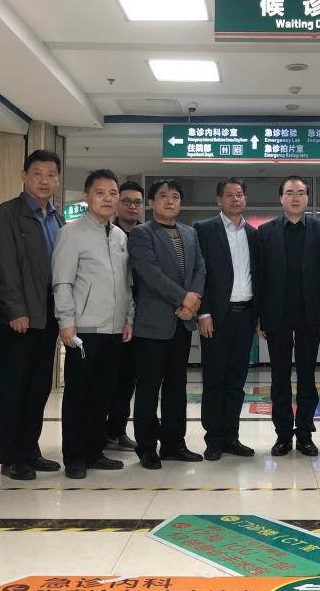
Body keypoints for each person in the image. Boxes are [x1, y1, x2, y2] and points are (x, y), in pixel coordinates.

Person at [53, 169, 134, 479]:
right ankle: (74, 456)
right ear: (87, 196)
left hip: (114, 329)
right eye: (100, 193)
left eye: (113, 193)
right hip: (84, 328)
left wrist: (128, 318)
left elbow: (127, 284)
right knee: (79, 394)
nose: (107, 198)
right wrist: (66, 322)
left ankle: (95, 451)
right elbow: (62, 281)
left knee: (103, 393)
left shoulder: (120, 236)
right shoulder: (71, 233)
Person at [0, 149, 65, 480]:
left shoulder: (58, 219)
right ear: (24, 175)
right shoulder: (7, 213)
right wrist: (15, 309)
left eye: (51, 175)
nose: (45, 180)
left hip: (49, 313)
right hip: (19, 316)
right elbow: (5, 266)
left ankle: (30, 449)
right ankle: (11, 457)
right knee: (14, 387)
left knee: (39, 386)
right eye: (38, 173)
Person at [128, 178, 206, 469]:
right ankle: (147, 447)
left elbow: (200, 267)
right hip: (153, 324)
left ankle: (174, 444)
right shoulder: (141, 234)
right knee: (148, 388)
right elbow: (150, 273)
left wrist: (193, 299)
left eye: (175, 196)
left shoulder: (190, 233)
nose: (170, 201)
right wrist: (184, 298)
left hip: (182, 324)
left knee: (177, 386)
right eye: (163, 196)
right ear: (151, 203)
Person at [257, 175, 320, 457]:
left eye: (301, 192)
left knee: (307, 376)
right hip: (276, 314)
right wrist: (259, 315)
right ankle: (282, 435)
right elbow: (259, 277)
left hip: (310, 314)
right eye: (289, 192)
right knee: (279, 377)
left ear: (307, 198)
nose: (295, 197)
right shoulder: (265, 232)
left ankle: (304, 434)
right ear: (281, 198)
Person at [195, 178, 259, 460]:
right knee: (214, 380)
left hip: (245, 316)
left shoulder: (253, 234)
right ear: (219, 200)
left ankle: (231, 436)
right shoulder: (205, 229)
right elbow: (200, 273)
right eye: (230, 195)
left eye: (240, 194)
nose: (236, 199)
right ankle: (213, 439)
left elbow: (259, 276)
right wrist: (204, 311)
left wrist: (259, 316)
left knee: (236, 380)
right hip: (216, 317)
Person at [106, 179, 145, 452]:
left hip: (142, 319)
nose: (132, 206)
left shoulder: (146, 235)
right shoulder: (108, 233)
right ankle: (98, 431)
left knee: (128, 379)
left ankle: (117, 430)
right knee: (107, 378)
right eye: (127, 201)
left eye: (137, 202)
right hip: (111, 316)